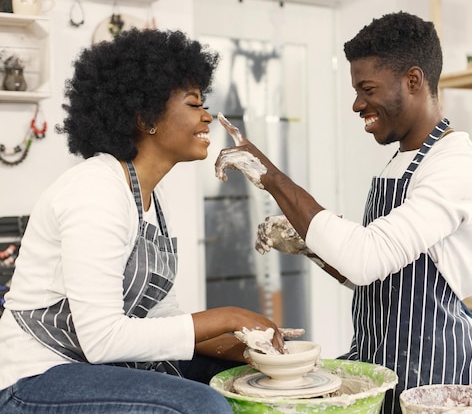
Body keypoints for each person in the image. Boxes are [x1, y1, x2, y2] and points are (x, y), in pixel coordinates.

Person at [215, 11, 472, 414]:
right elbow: (381, 279)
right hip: (380, 362)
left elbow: (366, 259)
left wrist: (269, 176)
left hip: (439, 373)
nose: (356, 104)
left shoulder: (456, 164)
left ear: (413, 81)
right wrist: (310, 247)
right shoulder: (399, 162)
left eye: (367, 89)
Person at [0, 28, 285, 414]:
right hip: (34, 375)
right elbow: (102, 339)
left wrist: (244, 347)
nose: (207, 117)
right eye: (193, 104)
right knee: (202, 405)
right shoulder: (96, 190)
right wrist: (228, 315)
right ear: (145, 117)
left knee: (241, 377)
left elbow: (159, 318)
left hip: (93, 366)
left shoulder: (150, 197)